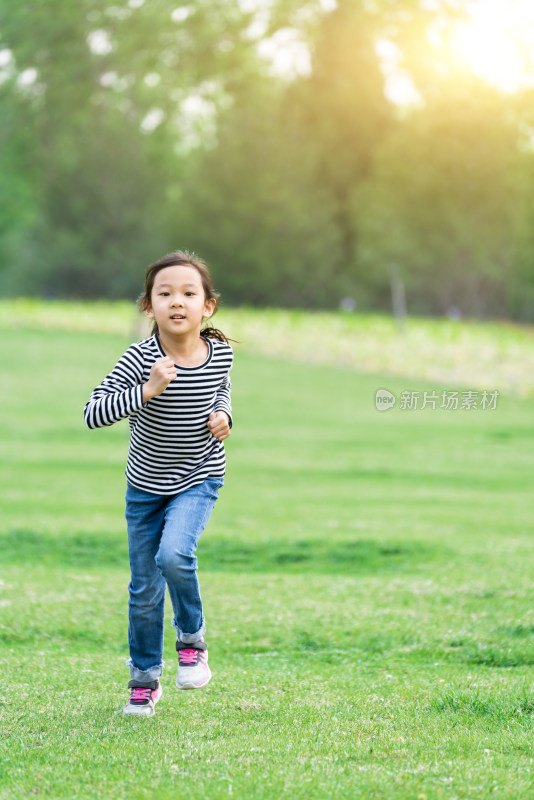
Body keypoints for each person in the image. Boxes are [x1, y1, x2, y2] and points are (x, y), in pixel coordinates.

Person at [84, 250, 234, 717]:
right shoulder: (141, 359)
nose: (177, 301)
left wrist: (225, 415)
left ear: (207, 306)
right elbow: (93, 414)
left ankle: (192, 641)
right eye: (164, 293)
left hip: (199, 476)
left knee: (174, 554)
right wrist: (145, 391)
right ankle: (145, 680)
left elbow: (221, 386)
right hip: (145, 489)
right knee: (144, 588)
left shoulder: (220, 351)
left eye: (189, 293)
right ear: (148, 306)